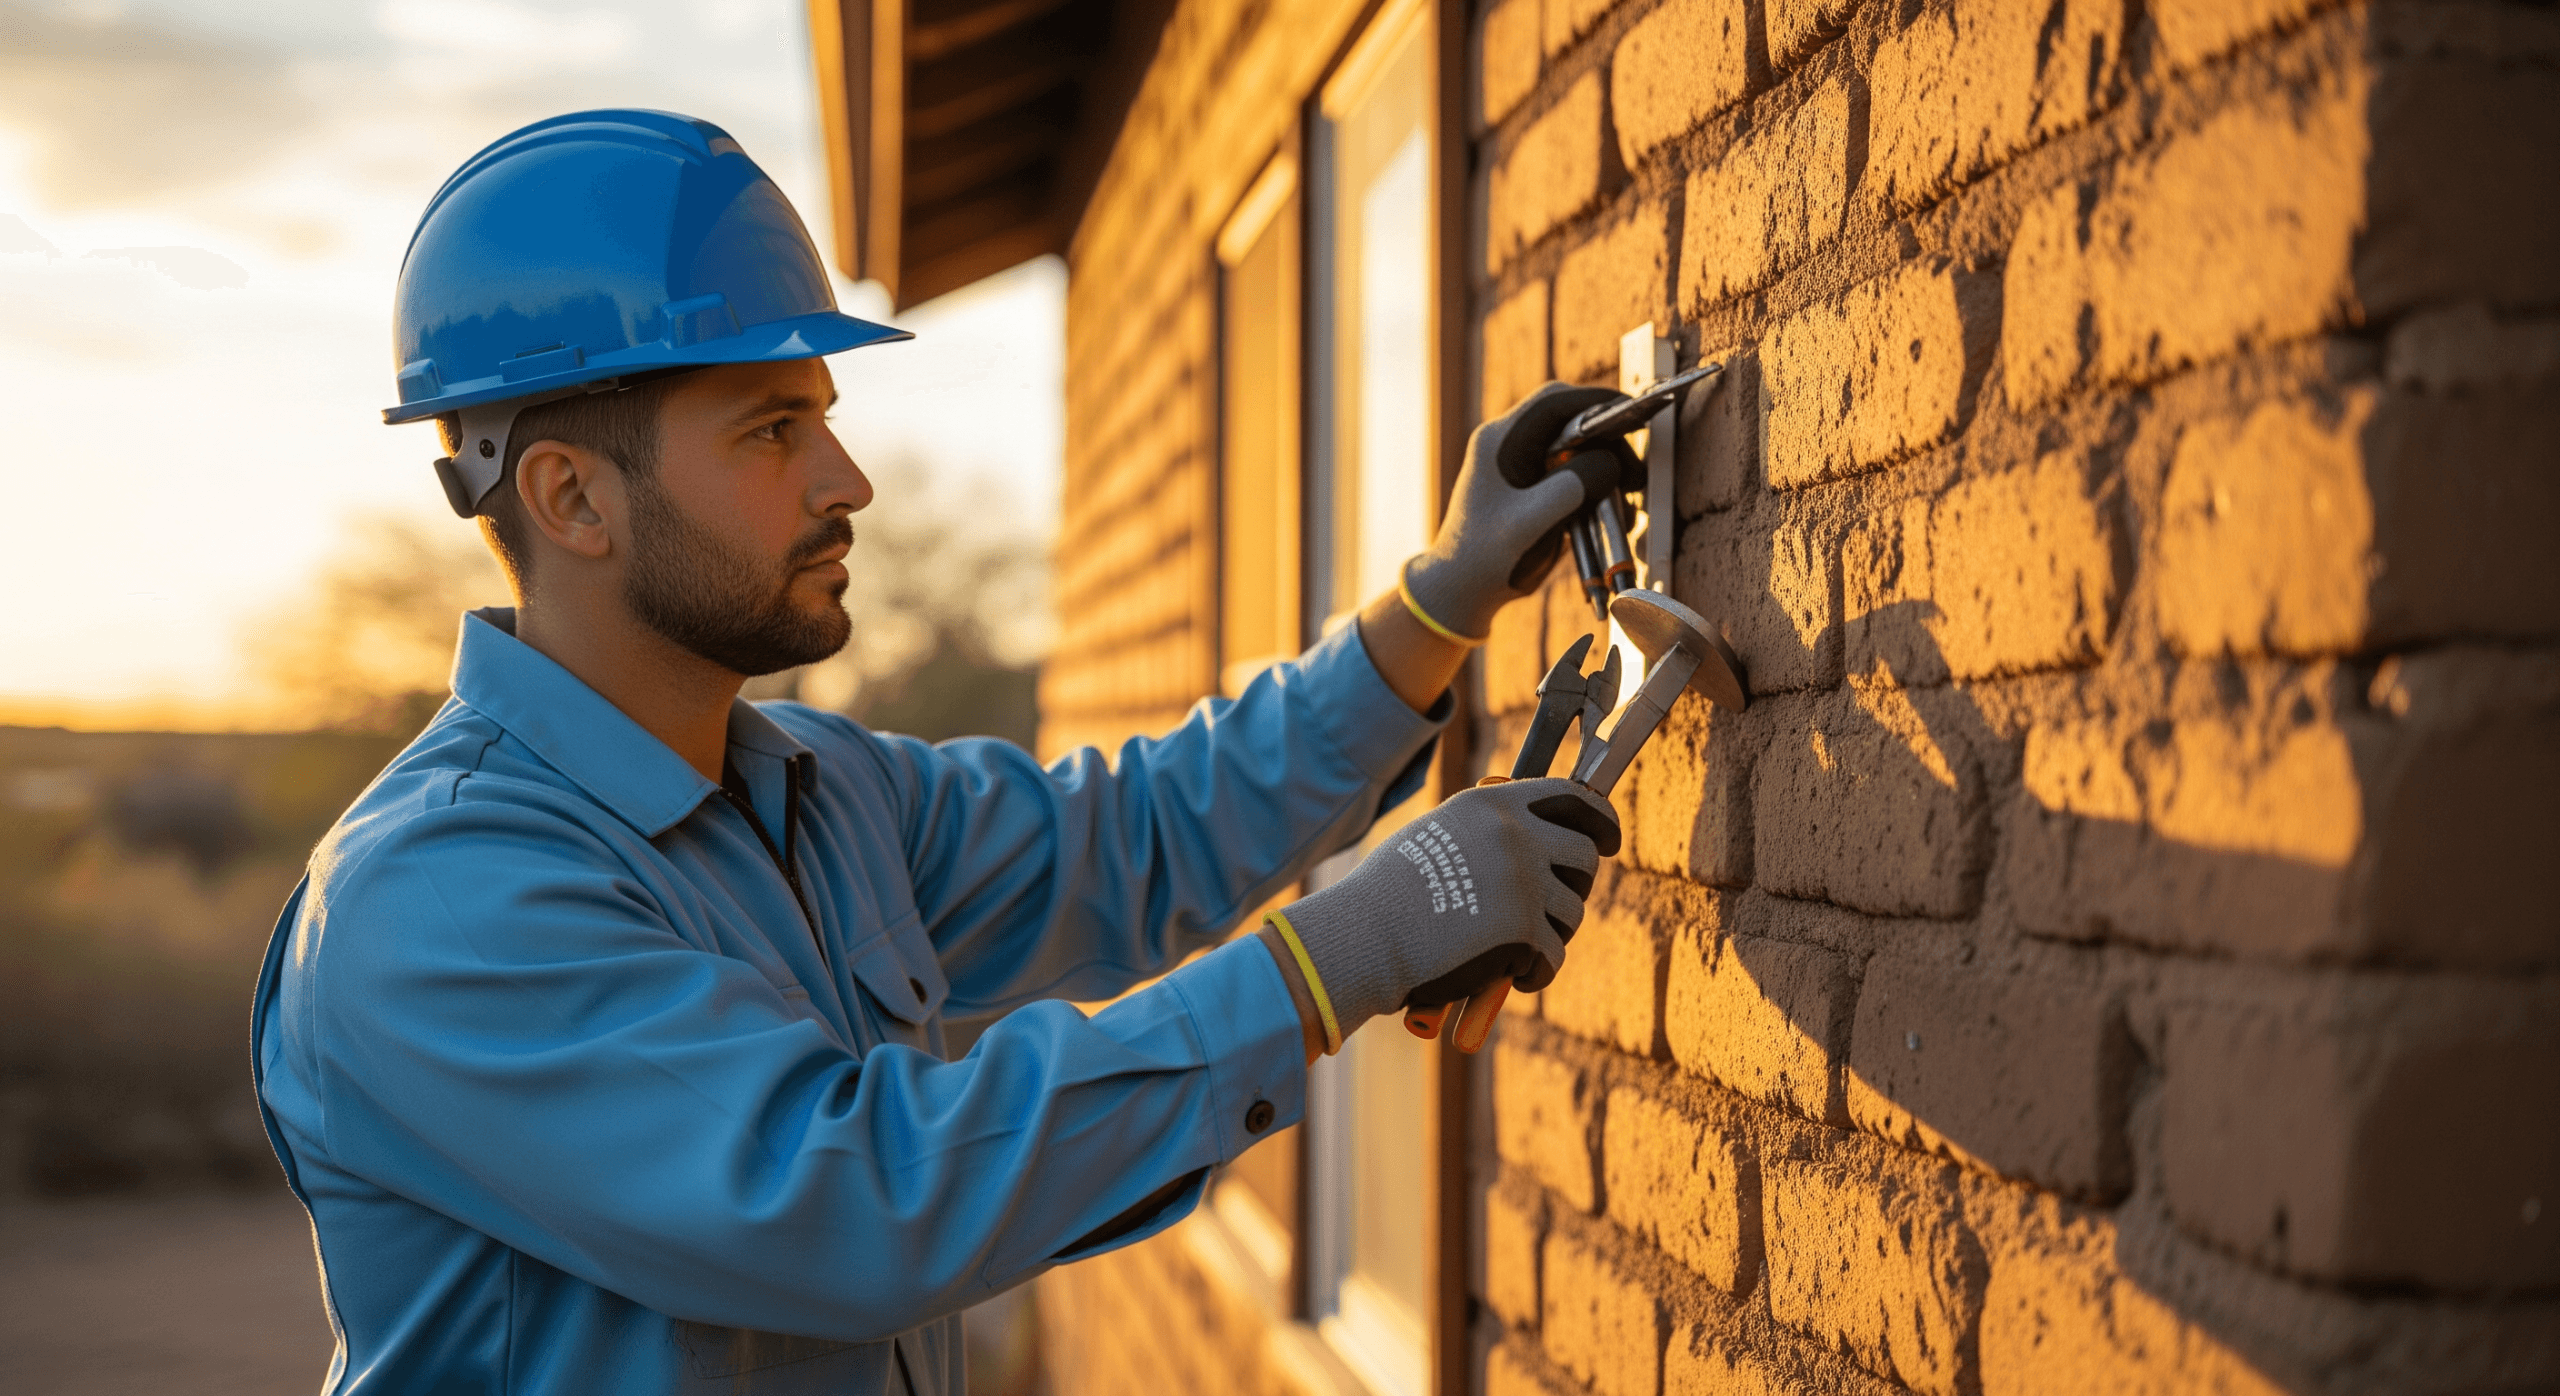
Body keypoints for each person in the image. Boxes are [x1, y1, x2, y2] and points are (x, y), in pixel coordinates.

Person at [251, 109, 1632, 1395]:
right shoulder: (439, 902)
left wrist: (1438, 602)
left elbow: (1148, 834)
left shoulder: (821, 789)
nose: (847, 482)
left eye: (826, 420)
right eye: (772, 430)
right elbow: (856, 1201)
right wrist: (1349, 953)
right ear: (572, 499)